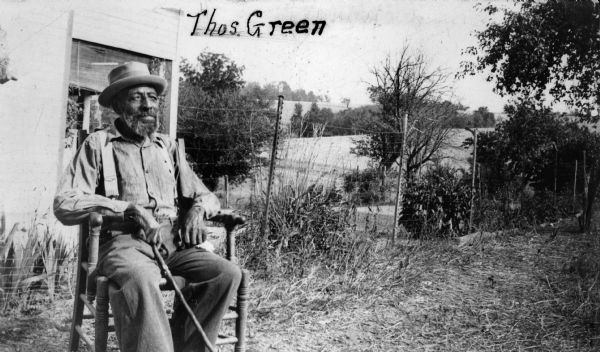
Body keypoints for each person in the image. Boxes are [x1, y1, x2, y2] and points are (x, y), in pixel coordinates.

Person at [54, 61, 241, 352]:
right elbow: (65, 203)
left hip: (173, 244)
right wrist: (130, 209)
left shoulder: (167, 148)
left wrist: (196, 211)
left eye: (152, 98)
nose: (147, 106)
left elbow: (206, 195)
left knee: (226, 273)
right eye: (136, 97)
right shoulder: (98, 145)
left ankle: (186, 346)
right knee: (140, 278)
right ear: (118, 104)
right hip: (121, 245)